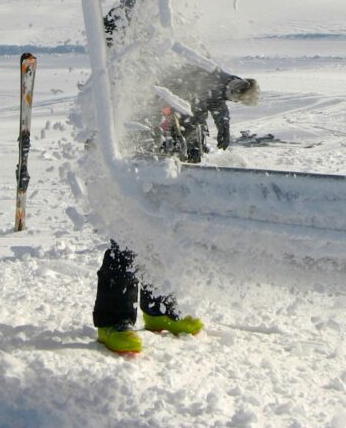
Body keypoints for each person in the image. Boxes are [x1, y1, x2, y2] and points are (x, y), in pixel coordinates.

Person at [95, 63, 260, 355]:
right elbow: (115, 68)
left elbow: (198, 62)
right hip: (137, 146)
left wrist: (228, 87)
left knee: (169, 233)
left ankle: (161, 309)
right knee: (128, 236)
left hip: (180, 148)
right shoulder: (126, 32)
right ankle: (114, 320)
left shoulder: (175, 24)